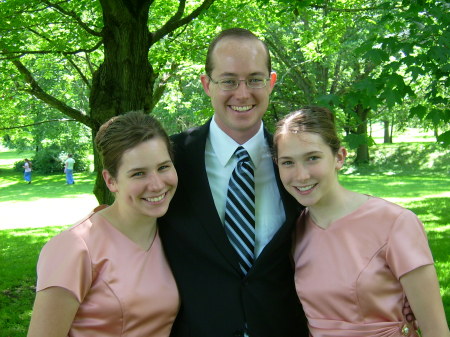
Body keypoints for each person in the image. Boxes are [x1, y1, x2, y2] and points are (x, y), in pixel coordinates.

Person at [158, 28, 308, 337]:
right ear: (206, 85)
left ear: (271, 82)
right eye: (228, 81)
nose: (242, 94)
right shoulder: (169, 160)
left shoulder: (297, 164)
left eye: (255, 79)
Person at [273, 106, 450, 337]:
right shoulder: (293, 231)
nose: (301, 175)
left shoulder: (395, 223)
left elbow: (436, 330)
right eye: (288, 162)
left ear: (339, 157)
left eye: (313, 158)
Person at [27, 111, 180, 337]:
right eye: (138, 174)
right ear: (111, 181)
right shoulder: (76, 247)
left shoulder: (174, 235)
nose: (157, 185)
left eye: (163, 167)